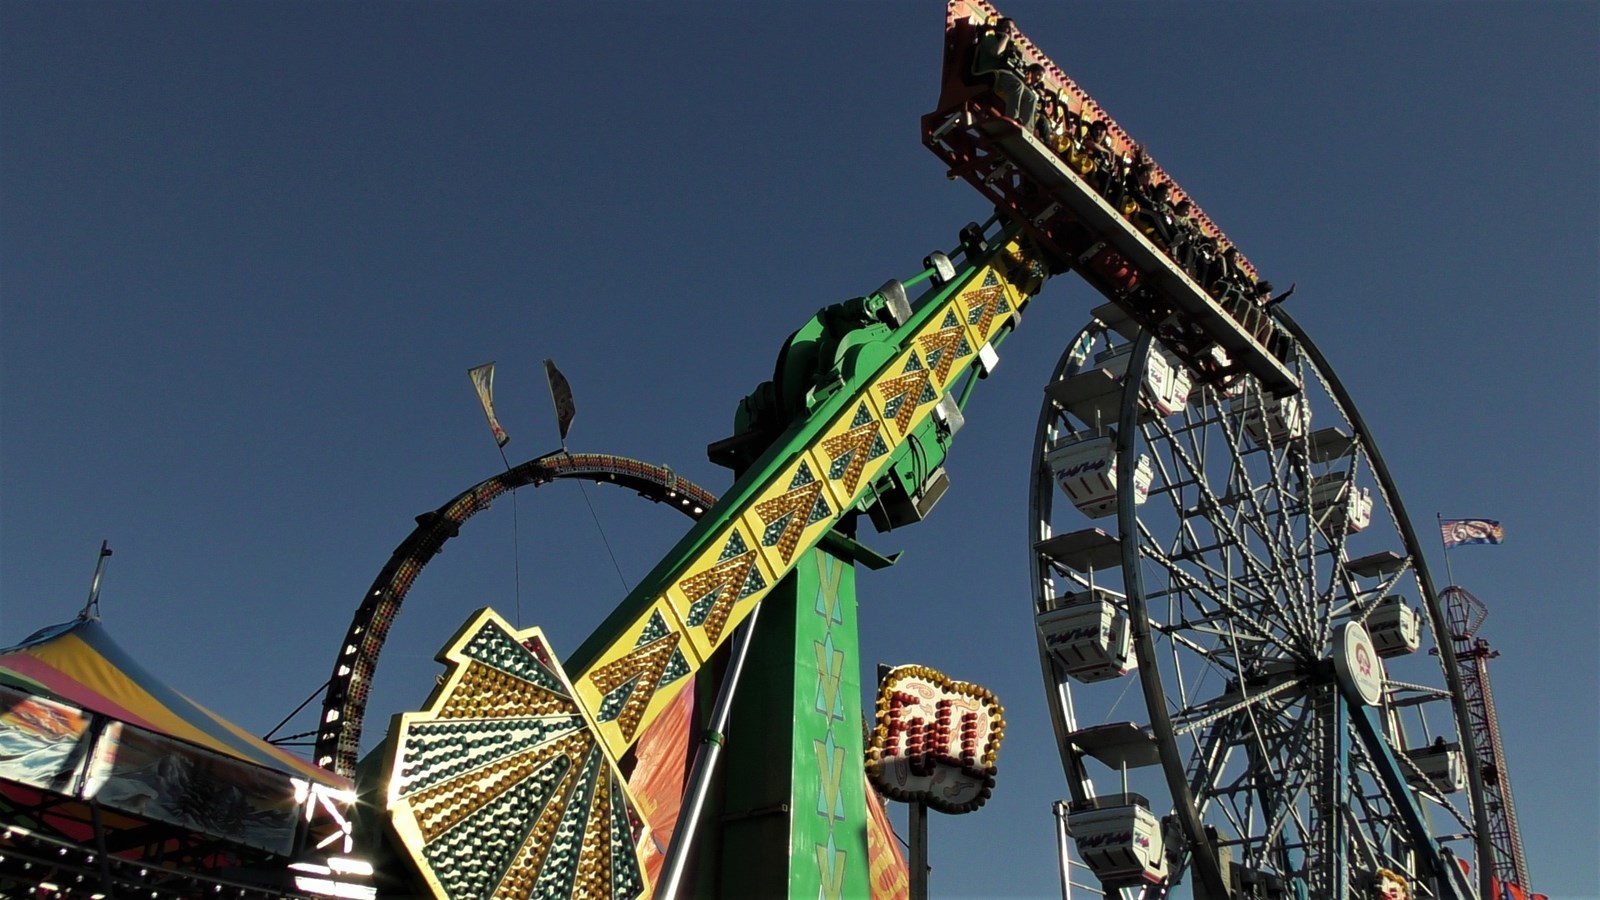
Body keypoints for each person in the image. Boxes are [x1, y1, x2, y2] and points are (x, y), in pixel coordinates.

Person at [972, 18, 1038, 128]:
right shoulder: (990, 38)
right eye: (1007, 27)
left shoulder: (1012, 48)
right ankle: (1011, 118)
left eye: (1012, 29)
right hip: (990, 74)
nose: (1010, 31)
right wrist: (1005, 37)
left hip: (1005, 76)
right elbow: (996, 52)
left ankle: (1027, 129)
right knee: (1016, 85)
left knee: (1031, 97)